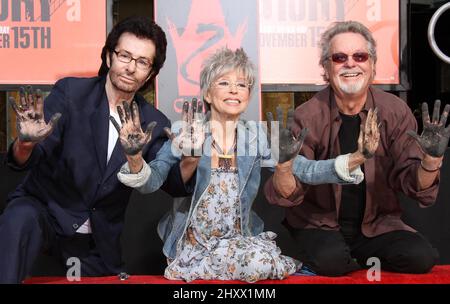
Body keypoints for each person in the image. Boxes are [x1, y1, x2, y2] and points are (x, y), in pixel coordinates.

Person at [114, 47, 380, 283]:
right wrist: (135, 157)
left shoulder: (256, 135)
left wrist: (358, 156)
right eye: (224, 82)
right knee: (260, 263)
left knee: (259, 260)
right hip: (194, 244)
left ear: (249, 95)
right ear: (207, 92)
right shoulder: (187, 131)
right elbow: (152, 182)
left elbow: (305, 170)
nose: (234, 90)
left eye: (242, 85)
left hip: (240, 239)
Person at [0, 16, 192, 283]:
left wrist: (191, 156)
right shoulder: (71, 93)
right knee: (18, 218)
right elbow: (31, 157)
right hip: (46, 215)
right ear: (109, 56)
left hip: (96, 242)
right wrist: (25, 143)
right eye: (125, 55)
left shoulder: (154, 122)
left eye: (142, 62)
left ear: (151, 73)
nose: (131, 67)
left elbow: (171, 182)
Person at [264, 21, 450, 276]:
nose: (350, 63)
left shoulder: (394, 111)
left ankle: (352, 258)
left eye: (360, 56)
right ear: (326, 68)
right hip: (320, 224)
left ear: (372, 65)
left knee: (421, 258)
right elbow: (289, 193)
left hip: (377, 226)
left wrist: (431, 160)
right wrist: (284, 166)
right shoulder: (306, 116)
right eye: (340, 57)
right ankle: (341, 259)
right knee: (332, 262)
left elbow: (415, 186)